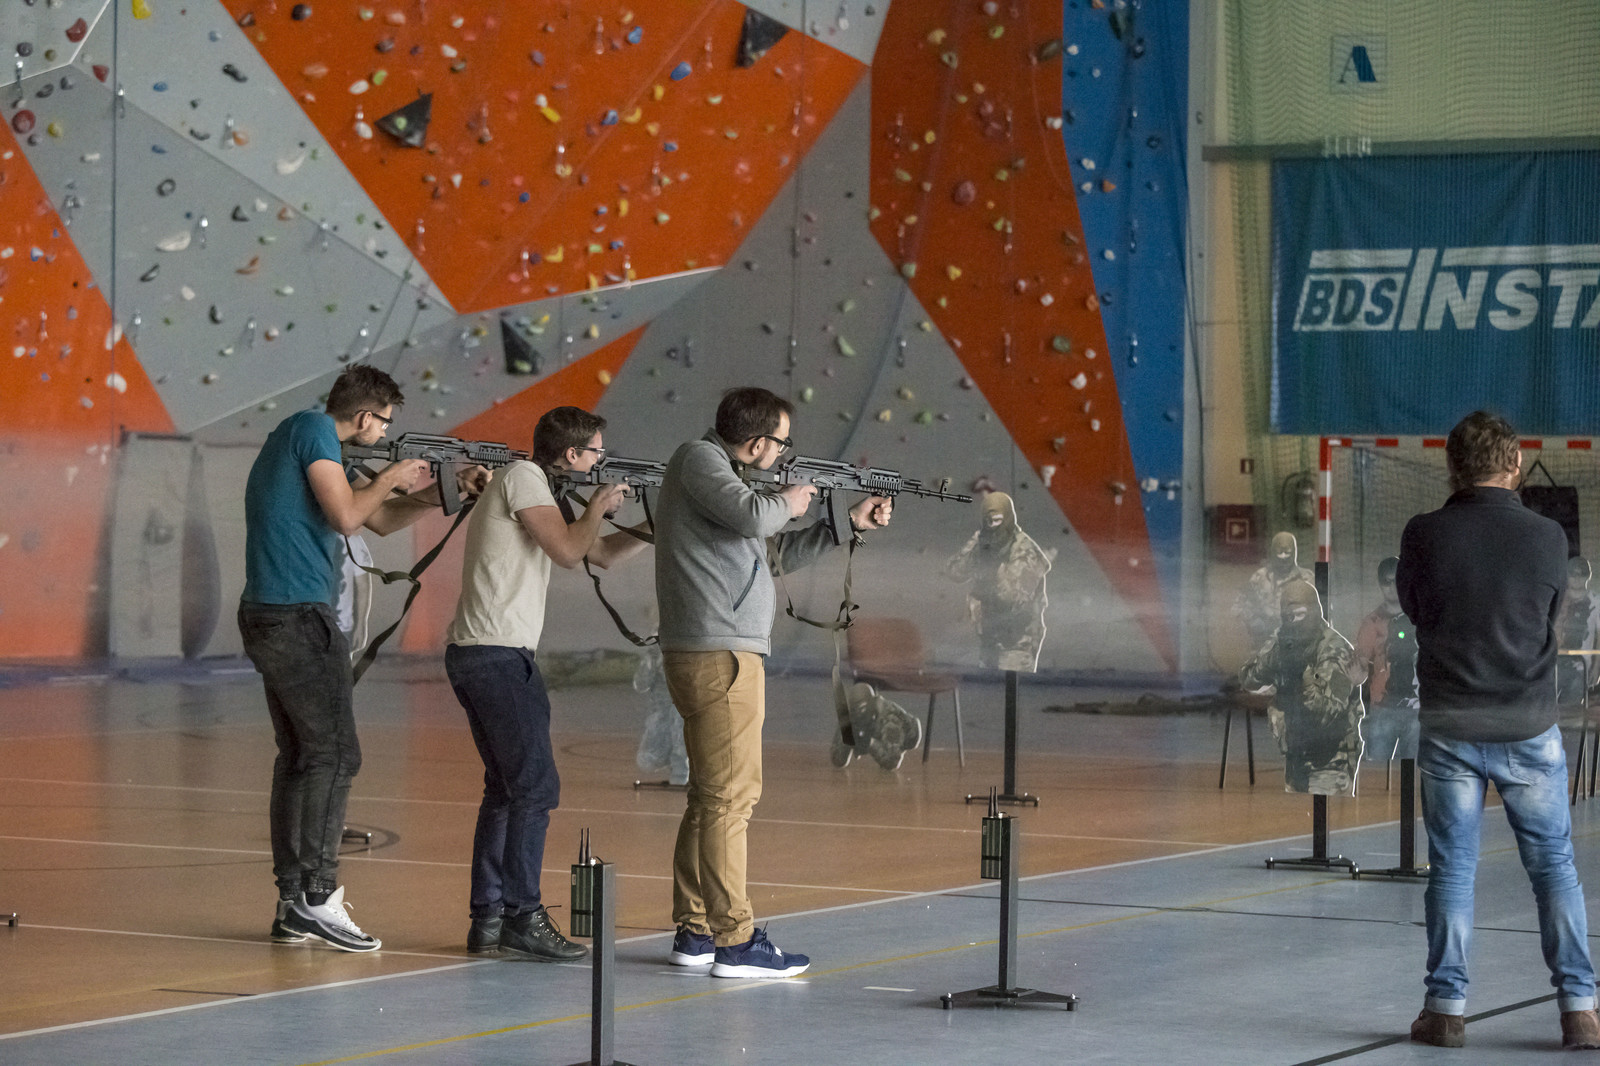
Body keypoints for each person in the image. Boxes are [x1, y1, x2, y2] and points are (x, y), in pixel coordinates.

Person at [240, 365, 486, 952]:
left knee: (303, 756)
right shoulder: (313, 430)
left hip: (279, 613)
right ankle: (319, 897)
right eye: (385, 423)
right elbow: (348, 516)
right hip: (297, 616)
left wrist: (445, 491)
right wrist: (395, 474)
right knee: (335, 755)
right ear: (366, 415)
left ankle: (293, 905)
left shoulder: (313, 442)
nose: (385, 433)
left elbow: (380, 518)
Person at [655, 386, 892, 978]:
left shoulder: (723, 480)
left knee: (711, 796)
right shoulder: (700, 460)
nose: (784, 452)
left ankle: (697, 930)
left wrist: (845, 524)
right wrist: (793, 496)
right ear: (758, 441)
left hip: (717, 652)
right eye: (782, 442)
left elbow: (770, 553)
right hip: (721, 655)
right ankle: (735, 941)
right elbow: (758, 516)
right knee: (731, 799)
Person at [1397, 410, 1600, 1050]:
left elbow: (1415, 610)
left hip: (1451, 726)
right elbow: (1552, 617)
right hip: (1527, 726)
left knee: (1452, 870)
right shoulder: (1549, 537)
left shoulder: (1423, 533)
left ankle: (1445, 1010)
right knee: (1554, 868)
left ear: (1452, 466)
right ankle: (1580, 1010)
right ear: (1515, 465)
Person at [444, 406, 647, 960]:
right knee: (535, 788)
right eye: (596, 452)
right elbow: (568, 552)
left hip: (487, 653)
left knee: (507, 790)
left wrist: (654, 526)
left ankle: (489, 919)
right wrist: (600, 505)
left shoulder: (537, 488)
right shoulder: (524, 475)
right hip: (496, 654)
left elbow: (599, 553)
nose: (600, 460)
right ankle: (522, 915)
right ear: (572, 454)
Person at [1237, 579, 1364, 794]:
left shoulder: (1335, 650)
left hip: (1331, 759)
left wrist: (1303, 676)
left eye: (1300, 614)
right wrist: (1274, 659)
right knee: (1299, 809)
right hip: (1297, 754)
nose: (1294, 621)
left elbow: (1326, 713)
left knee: (1322, 811)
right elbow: (1248, 678)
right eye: (1288, 616)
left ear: (1315, 611)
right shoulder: (1284, 640)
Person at [944, 491, 1052, 671]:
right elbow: (954, 572)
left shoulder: (1026, 552)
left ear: (1008, 517)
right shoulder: (985, 545)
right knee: (988, 684)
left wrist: (997, 574)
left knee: (1011, 685)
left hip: (1017, 641)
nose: (993, 526)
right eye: (988, 521)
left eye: (998, 520)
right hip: (989, 638)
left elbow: (1014, 599)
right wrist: (973, 544)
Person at [1353, 556, 1419, 763]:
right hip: (1383, 708)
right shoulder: (1371, 623)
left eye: (1396, 580)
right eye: (1386, 581)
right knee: (1377, 772)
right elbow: (1360, 666)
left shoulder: (1422, 618)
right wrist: (1355, 675)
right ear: (1380, 584)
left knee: (1414, 774)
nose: (1392, 587)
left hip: (1417, 709)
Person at [1235, 531, 1316, 650]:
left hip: (1297, 646)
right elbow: (1240, 606)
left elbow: (1318, 612)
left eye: (1287, 553)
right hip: (1264, 645)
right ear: (1273, 553)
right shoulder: (1259, 577)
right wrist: (1255, 624)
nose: (1283, 557)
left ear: (1294, 553)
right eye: (1279, 553)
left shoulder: (1307, 579)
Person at [1555, 556, 1600, 707]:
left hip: (1581, 667)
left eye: (1581, 573)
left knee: (1570, 711)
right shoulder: (1557, 600)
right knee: (1547, 710)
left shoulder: (1596, 602)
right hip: (1553, 665)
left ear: (1588, 576)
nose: (1577, 577)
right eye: (1573, 573)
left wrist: (1596, 667)